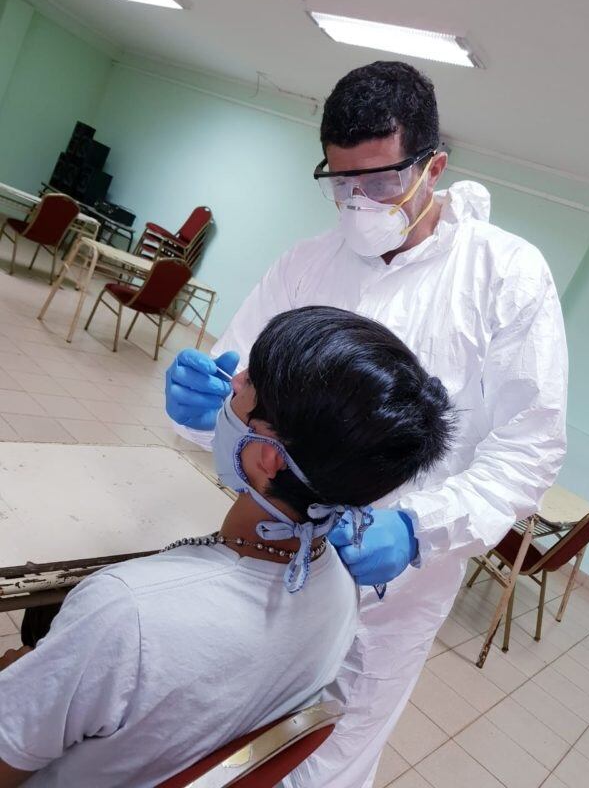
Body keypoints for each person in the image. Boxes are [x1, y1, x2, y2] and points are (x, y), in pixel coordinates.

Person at [165, 61, 568, 787]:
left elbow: (528, 450)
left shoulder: (505, 276)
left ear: (432, 166)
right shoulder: (306, 264)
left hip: (393, 588)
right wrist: (204, 403)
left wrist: (420, 529)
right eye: (341, 182)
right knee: (219, 733)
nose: (358, 202)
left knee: (325, 757)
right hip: (265, 548)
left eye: (380, 181)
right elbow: (237, 393)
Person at [0, 307, 453, 788]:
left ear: (266, 456)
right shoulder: (342, 590)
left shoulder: (124, 613)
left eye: (249, 381)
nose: (231, 382)